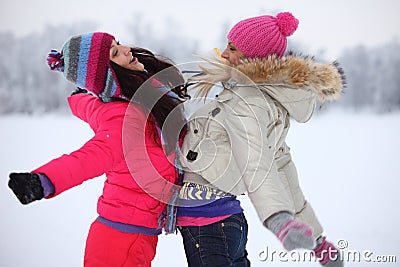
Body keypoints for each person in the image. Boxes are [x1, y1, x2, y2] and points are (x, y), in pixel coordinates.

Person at [177, 12, 345, 267]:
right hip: (227, 218)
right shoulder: (263, 100)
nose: (224, 54)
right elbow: (282, 167)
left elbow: (256, 161)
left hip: (208, 222)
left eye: (232, 48)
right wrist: (318, 241)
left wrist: (279, 219)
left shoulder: (248, 100)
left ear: (253, 58)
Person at [8, 32, 187, 267]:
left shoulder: (128, 101)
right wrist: (43, 181)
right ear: (108, 77)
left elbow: (89, 106)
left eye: (119, 44)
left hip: (127, 234)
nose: (126, 50)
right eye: (115, 53)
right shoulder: (126, 121)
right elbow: (88, 159)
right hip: (120, 242)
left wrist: (79, 99)